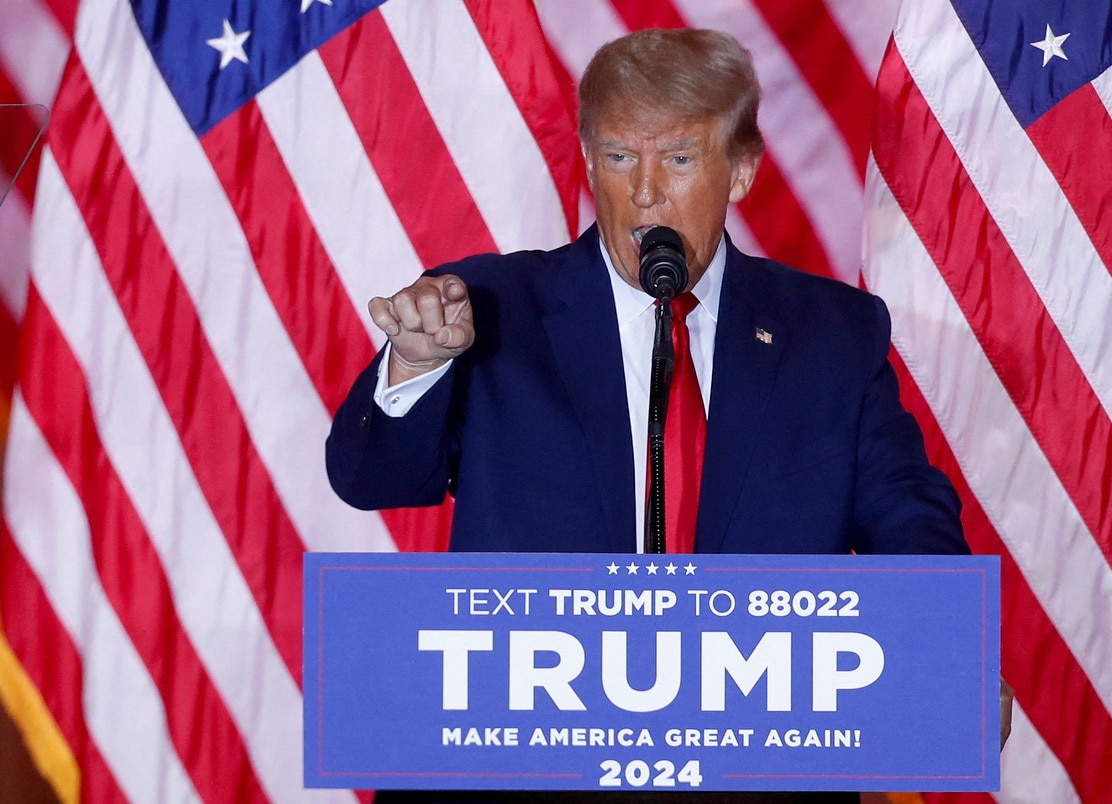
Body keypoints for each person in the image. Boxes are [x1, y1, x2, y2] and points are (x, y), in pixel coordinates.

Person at [326, 28, 972, 804]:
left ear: (740, 170)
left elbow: (907, 516)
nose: (644, 192)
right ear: (588, 160)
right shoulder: (492, 311)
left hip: (751, 769)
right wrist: (415, 365)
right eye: (619, 156)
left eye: (679, 159)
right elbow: (370, 479)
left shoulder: (831, 334)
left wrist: (945, 648)